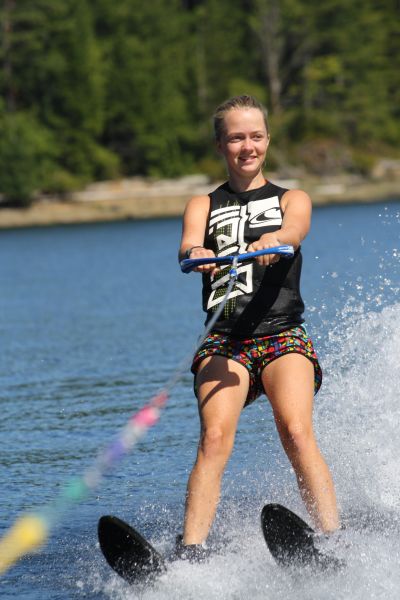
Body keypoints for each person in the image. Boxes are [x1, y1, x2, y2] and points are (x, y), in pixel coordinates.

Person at [177, 95, 339, 558]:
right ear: (220, 145)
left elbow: (295, 230)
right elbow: (188, 246)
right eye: (236, 138)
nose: (247, 146)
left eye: (255, 136)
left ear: (267, 140)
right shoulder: (202, 204)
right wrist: (198, 253)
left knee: (296, 432)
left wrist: (276, 238)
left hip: (282, 336)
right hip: (224, 341)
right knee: (213, 438)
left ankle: (333, 540)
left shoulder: (292, 198)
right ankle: (191, 552)